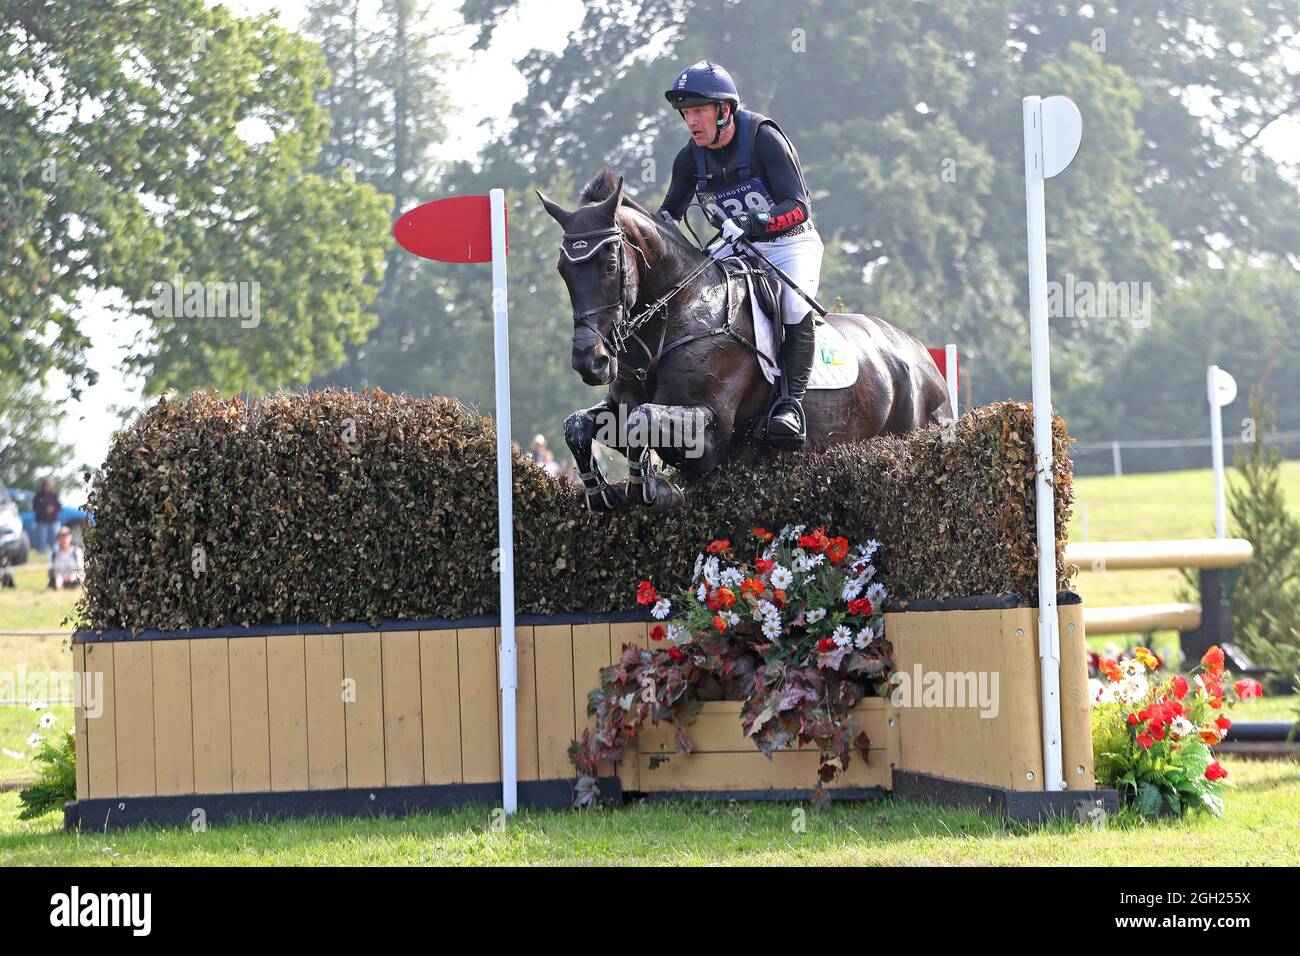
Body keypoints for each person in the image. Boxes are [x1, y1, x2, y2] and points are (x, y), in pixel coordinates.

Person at [658, 61, 823, 442]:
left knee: (795, 305)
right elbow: (669, 214)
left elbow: (799, 206)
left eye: (699, 111)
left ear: (725, 110)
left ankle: (790, 406)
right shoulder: (689, 159)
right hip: (736, 248)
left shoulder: (764, 139)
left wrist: (753, 223)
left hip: (790, 243)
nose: (692, 122)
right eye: (686, 113)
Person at [48, 525, 84, 589]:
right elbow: (50, 572)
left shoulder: (76, 552)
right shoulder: (53, 554)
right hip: (59, 581)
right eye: (61, 537)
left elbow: (81, 570)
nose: (64, 539)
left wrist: (72, 577)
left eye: (66, 537)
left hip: (74, 580)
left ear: (70, 537)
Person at [33, 478, 61, 554]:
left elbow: (59, 506)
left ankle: (55, 554)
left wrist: (52, 509)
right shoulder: (38, 495)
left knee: (54, 540)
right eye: (46, 484)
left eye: (49, 485)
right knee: (42, 539)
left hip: (53, 520)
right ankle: (41, 554)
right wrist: (45, 510)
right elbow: (35, 507)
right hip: (42, 521)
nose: (47, 486)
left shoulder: (55, 495)